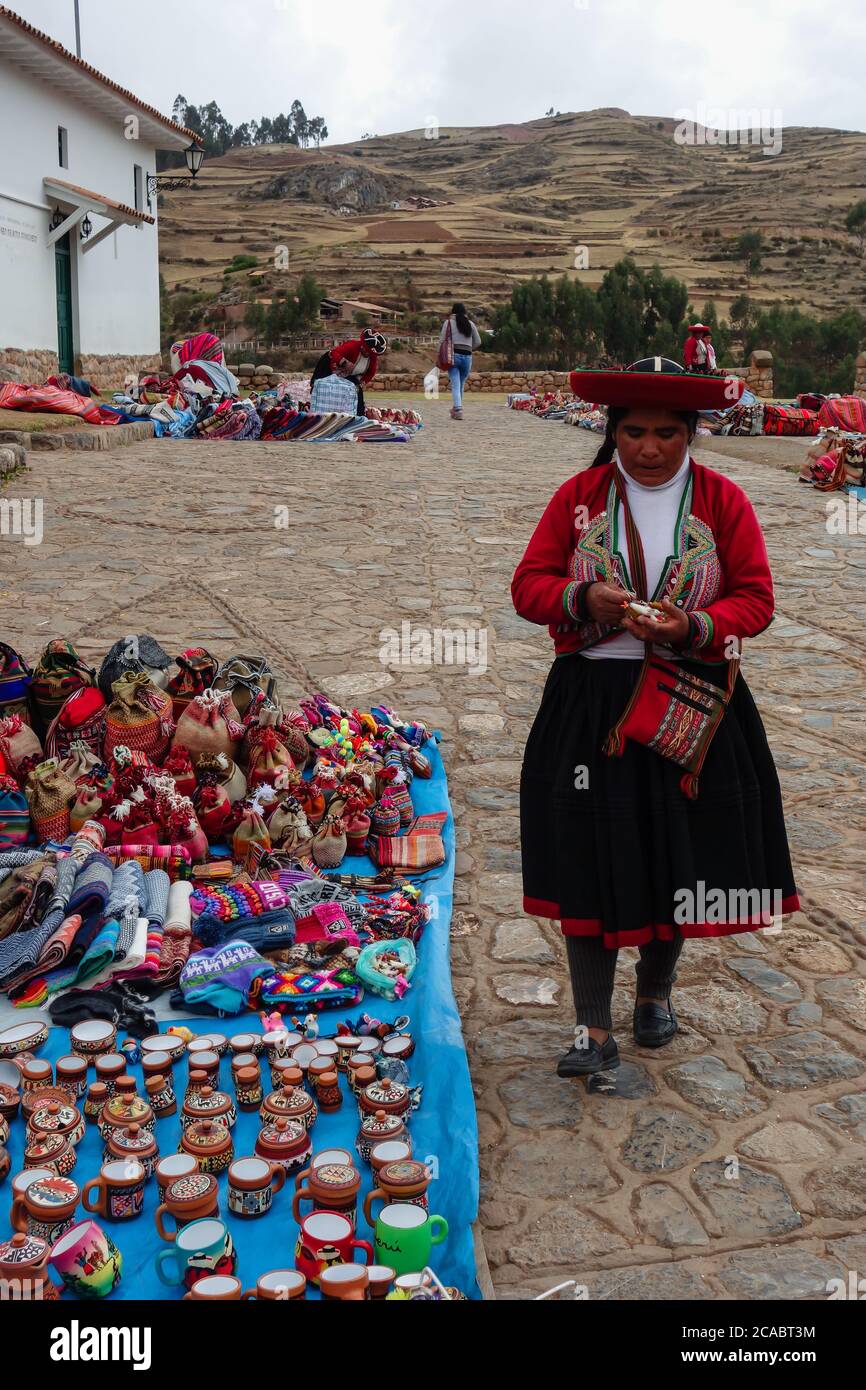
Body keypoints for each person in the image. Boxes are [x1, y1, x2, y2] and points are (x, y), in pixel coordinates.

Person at [512, 358, 799, 1077]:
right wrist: (583, 603)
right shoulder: (578, 499)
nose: (649, 447)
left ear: (692, 432)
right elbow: (529, 585)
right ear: (612, 432)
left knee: (677, 851)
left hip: (690, 700)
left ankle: (655, 994)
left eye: (667, 433)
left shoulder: (723, 501)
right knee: (590, 858)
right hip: (591, 704)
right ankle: (591, 1027)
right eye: (634, 431)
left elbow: (756, 600)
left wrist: (691, 625)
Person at [310, 328, 387, 417]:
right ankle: (316, 411)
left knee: (357, 393)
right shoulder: (352, 345)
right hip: (329, 365)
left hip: (349, 374)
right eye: (364, 349)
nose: (365, 352)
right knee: (320, 386)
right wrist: (345, 362)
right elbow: (335, 353)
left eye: (368, 352)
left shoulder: (372, 360)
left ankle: (358, 417)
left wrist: (360, 384)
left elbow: (370, 373)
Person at [439, 302, 481, 420]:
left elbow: (442, 341)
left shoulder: (448, 323)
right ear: (464, 312)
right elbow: (478, 342)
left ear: (453, 311)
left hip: (453, 356)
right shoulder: (470, 324)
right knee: (461, 384)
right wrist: (468, 347)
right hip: (467, 357)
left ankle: (458, 409)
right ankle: (456, 408)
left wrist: (439, 355)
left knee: (456, 384)